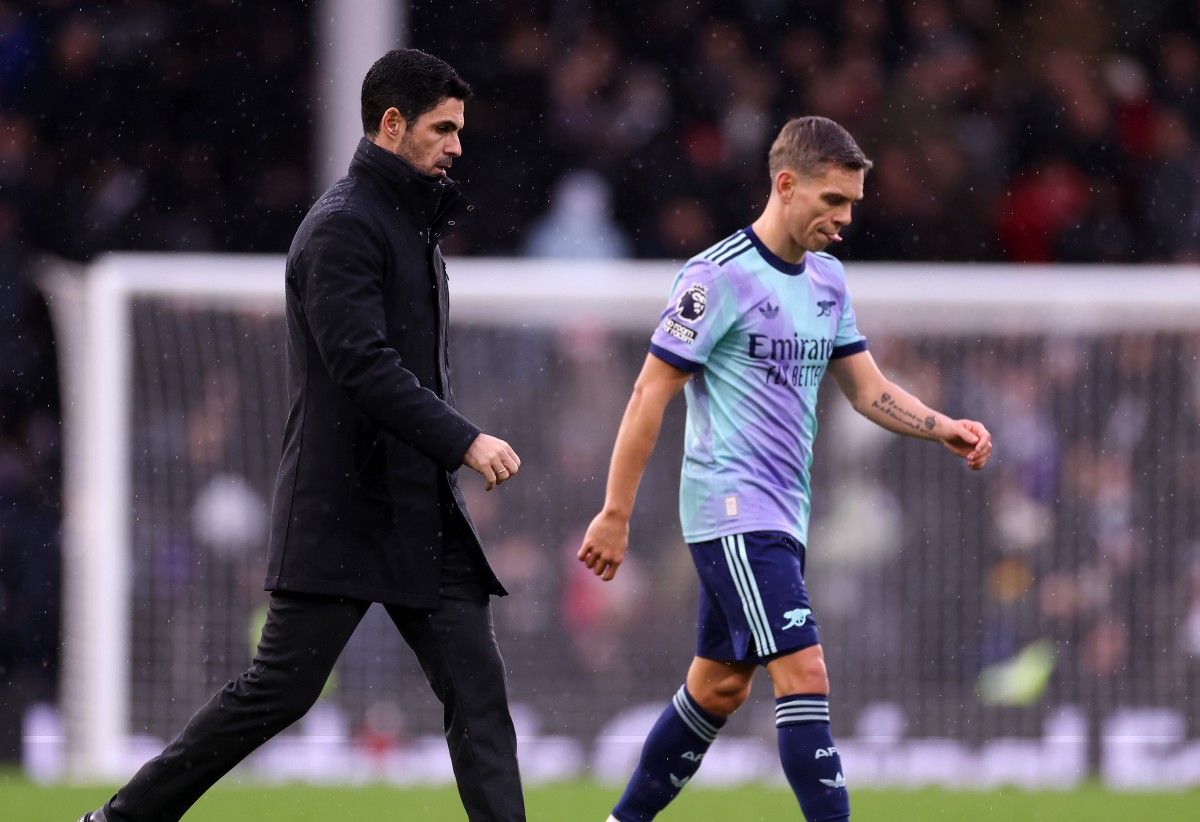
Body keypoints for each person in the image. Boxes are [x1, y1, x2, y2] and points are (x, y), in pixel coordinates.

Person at [77, 49, 526, 822]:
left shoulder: (411, 224)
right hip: (342, 508)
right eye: (443, 128)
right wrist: (464, 440)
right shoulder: (343, 227)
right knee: (277, 694)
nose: (458, 146)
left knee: (480, 701)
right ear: (392, 124)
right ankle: (119, 820)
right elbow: (363, 368)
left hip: (419, 511)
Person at [577, 116, 993, 822]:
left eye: (854, 204)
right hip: (733, 512)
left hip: (783, 514)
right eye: (833, 200)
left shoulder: (827, 281)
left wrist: (941, 427)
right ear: (786, 184)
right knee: (805, 674)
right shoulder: (716, 277)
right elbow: (649, 393)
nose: (845, 218)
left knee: (717, 690)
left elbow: (868, 391)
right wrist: (615, 513)